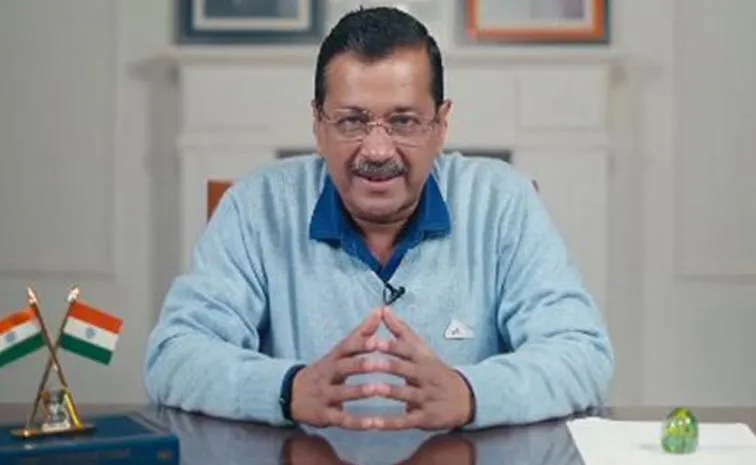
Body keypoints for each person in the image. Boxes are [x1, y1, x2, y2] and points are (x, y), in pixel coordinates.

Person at [143, 6, 613, 431]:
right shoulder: (255, 205)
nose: (377, 150)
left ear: (441, 124)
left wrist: (471, 394)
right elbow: (173, 356)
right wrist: (287, 389)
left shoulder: (501, 201)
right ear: (318, 124)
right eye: (352, 121)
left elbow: (582, 354)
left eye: (404, 121)